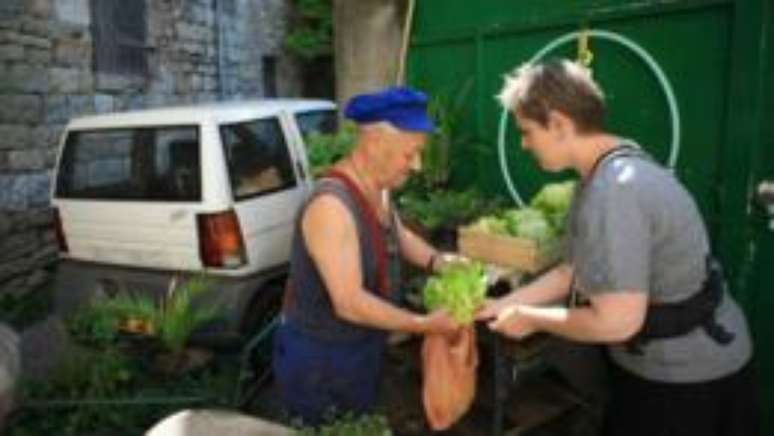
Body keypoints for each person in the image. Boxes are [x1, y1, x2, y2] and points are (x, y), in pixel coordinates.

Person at [477, 59, 759, 436]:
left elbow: (618, 322)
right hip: (689, 362)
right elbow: (572, 271)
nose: (524, 143)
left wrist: (531, 319)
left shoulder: (615, 189)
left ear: (560, 124)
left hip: (685, 381)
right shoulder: (609, 167)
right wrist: (505, 305)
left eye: (527, 131)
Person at [272, 86, 462, 426]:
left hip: (361, 346)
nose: (417, 165)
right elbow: (348, 301)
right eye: (410, 153)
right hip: (321, 360)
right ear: (374, 143)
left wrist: (438, 261)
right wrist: (421, 324)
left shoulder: (380, 187)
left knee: (361, 422)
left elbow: (398, 236)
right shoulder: (331, 207)